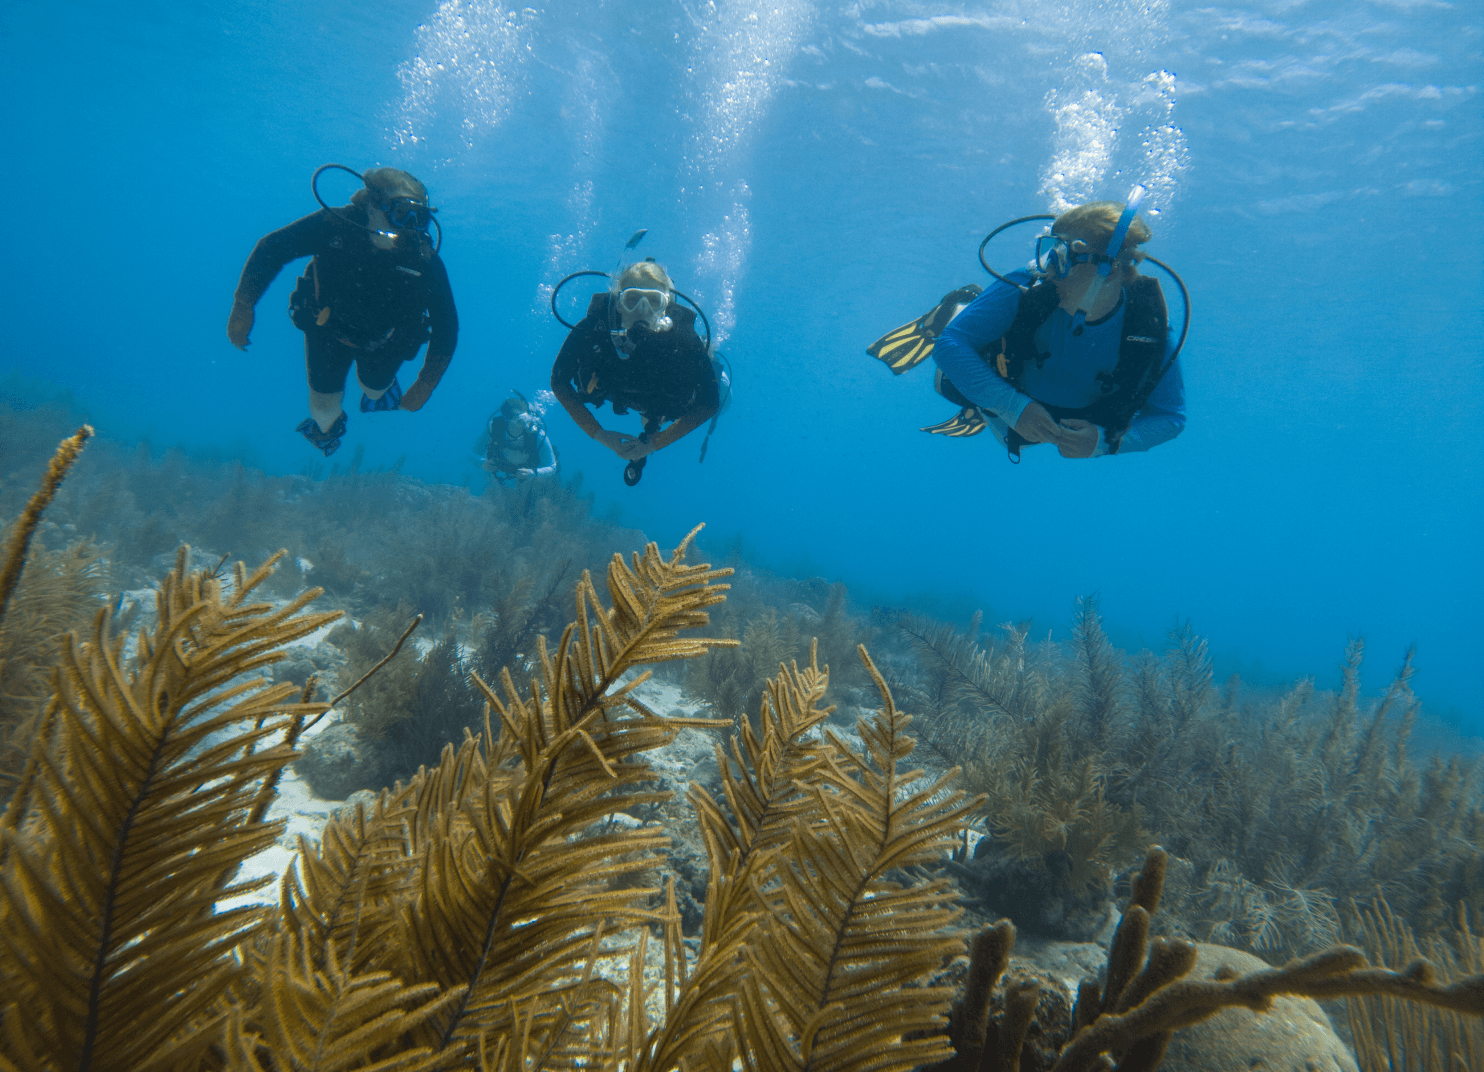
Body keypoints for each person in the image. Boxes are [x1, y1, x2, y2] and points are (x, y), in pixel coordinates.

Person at [871, 198, 1185, 460]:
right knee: (948, 385)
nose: (1048, 269)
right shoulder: (1029, 285)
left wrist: (1105, 443)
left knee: (1023, 439)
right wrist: (1009, 405)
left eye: (1063, 257)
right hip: (1006, 384)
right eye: (1051, 251)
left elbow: (1171, 416)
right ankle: (959, 306)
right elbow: (951, 343)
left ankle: (987, 404)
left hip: (1054, 417)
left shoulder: (1148, 330)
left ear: (1112, 268)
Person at [227, 167, 459, 456]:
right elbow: (271, 248)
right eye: (401, 213)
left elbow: (446, 324)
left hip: (388, 341)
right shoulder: (334, 225)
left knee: (374, 388)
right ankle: (329, 431)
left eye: (420, 217)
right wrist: (243, 304)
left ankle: (379, 393)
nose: (409, 226)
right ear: (372, 204)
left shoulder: (424, 258)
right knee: (323, 410)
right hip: (327, 329)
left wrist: (427, 382)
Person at [550, 260, 719, 485]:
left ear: (665, 306)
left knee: (717, 390)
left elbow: (709, 402)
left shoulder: (684, 340)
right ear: (618, 303)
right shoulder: (595, 327)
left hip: (663, 399)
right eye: (632, 299)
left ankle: (715, 362)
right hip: (615, 388)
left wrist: (653, 443)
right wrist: (599, 434)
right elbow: (558, 380)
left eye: (653, 301)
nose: (642, 309)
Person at [478, 393, 559, 485]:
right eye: (520, 421)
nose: (525, 425)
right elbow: (472, 454)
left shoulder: (538, 435)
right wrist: (482, 463)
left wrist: (534, 473)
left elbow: (552, 467)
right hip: (502, 468)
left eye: (527, 420)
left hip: (531, 469)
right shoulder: (493, 428)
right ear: (506, 420)